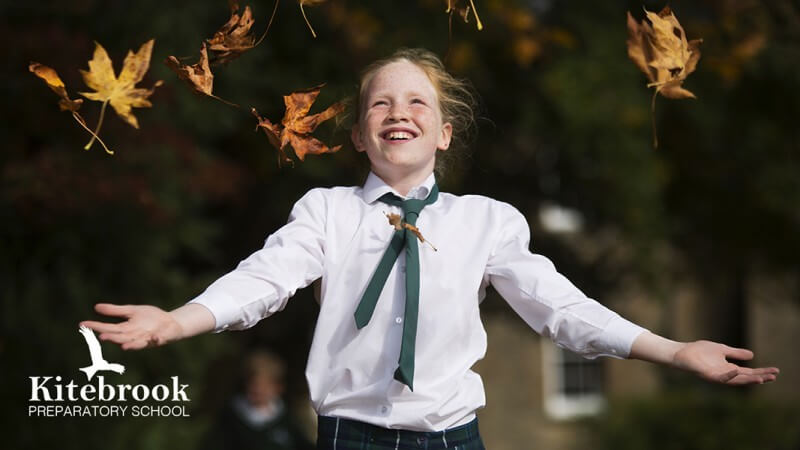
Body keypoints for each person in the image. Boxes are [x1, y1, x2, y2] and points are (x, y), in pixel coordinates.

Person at [81, 48, 779, 450]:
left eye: (417, 103)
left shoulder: (487, 222)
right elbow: (264, 279)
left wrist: (674, 351)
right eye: (380, 104)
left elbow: (561, 309)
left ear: (444, 132)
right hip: (349, 438)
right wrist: (178, 320)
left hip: (451, 440)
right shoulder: (326, 212)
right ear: (360, 135)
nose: (399, 113)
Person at [203, 350, 314, 450]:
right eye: (254, 384)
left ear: (278, 388)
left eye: (265, 386)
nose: (258, 390)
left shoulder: (286, 417)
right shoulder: (231, 418)